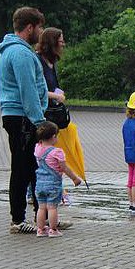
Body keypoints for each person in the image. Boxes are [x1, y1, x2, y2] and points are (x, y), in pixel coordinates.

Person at [0, 6, 48, 234]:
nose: (41, 31)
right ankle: (18, 220)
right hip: (23, 118)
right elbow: (28, 90)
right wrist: (39, 121)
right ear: (30, 28)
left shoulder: (11, 50)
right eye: (40, 27)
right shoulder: (21, 54)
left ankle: (43, 217)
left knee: (32, 167)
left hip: (16, 115)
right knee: (23, 168)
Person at [36, 26, 79, 224]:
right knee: (45, 154)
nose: (63, 43)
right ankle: (43, 195)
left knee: (50, 153)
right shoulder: (38, 62)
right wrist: (56, 96)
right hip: (44, 114)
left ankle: (52, 193)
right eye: (60, 40)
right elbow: (40, 89)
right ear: (52, 42)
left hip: (54, 113)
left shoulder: (52, 63)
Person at [33, 121, 82, 237]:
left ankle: (40, 230)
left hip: (39, 183)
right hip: (53, 185)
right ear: (54, 136)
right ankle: (53, 230)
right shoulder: (57, 152)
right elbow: (64, 167)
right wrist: (75, 178)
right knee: (52, 208)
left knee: (41, 207)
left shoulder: (37, 148)